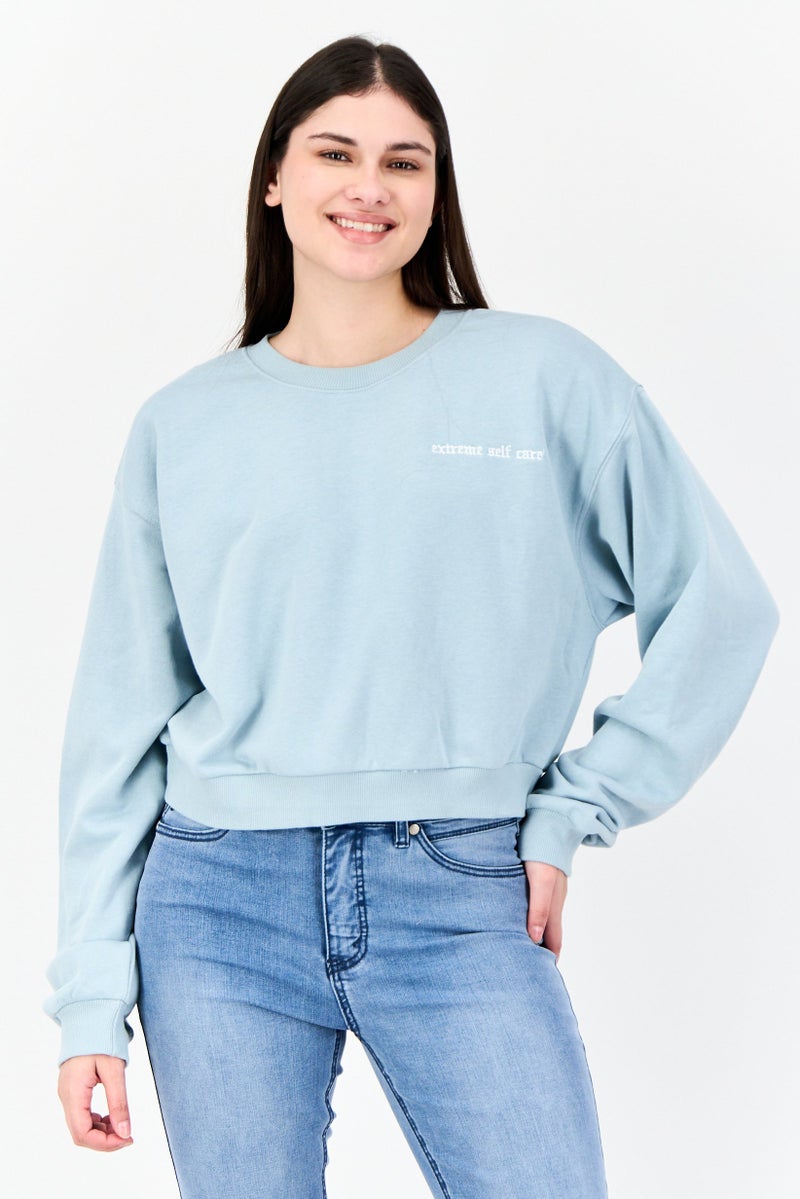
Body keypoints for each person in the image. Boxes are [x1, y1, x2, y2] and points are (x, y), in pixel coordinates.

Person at [44, 34, 780, 1199]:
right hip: (216, 900)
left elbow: (721, 606)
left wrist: (574, 808)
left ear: (437, 192)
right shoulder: (183, 424)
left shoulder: (544, 378)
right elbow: (115, 724)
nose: (368, 187)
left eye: (404, 161)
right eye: (334, 152)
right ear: (273, 177)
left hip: (462, 883)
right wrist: (91, 993)